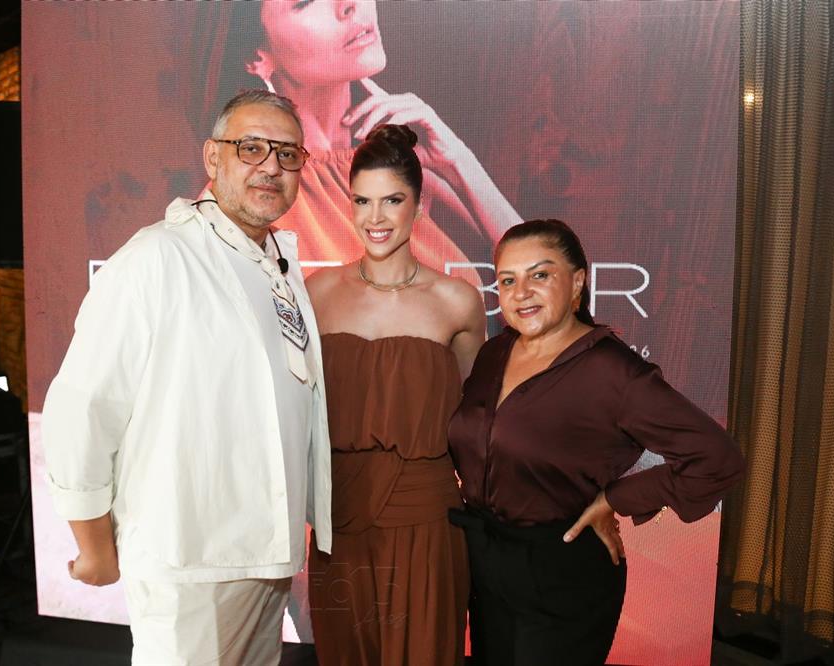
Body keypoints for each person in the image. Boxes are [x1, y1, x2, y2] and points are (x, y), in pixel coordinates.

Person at [41, 89, 332, 665]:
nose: (271, 166)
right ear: (212, 157)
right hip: (188, 562)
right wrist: (93, 546)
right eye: (251, 148)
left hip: (268, 558)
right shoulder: (157, 257)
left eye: (287, 154)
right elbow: (82, 406)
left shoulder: (278, 264)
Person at [447, 219, 745, 665]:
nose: (521, 292)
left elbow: (717, 458)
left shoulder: (613, 371)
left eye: (539, 275)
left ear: (577, 282)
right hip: (487, 567)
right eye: (508, 280)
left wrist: (615, 498)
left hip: (562, 571)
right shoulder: (494, 354)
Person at [305, 124, 486, 665]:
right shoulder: (317, 294)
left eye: (392, 200)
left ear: (419, 205)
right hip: (339, 518)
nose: (375, 217)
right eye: (362, 200)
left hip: (427, 519)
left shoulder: (457, 301)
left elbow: (477, 424)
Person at [198, 0, 521, 276]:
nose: (348, 5)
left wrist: (458, 161)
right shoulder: (248, 190)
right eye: (306, 1)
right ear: (256, 58)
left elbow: (540, 278)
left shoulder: (406, 160)